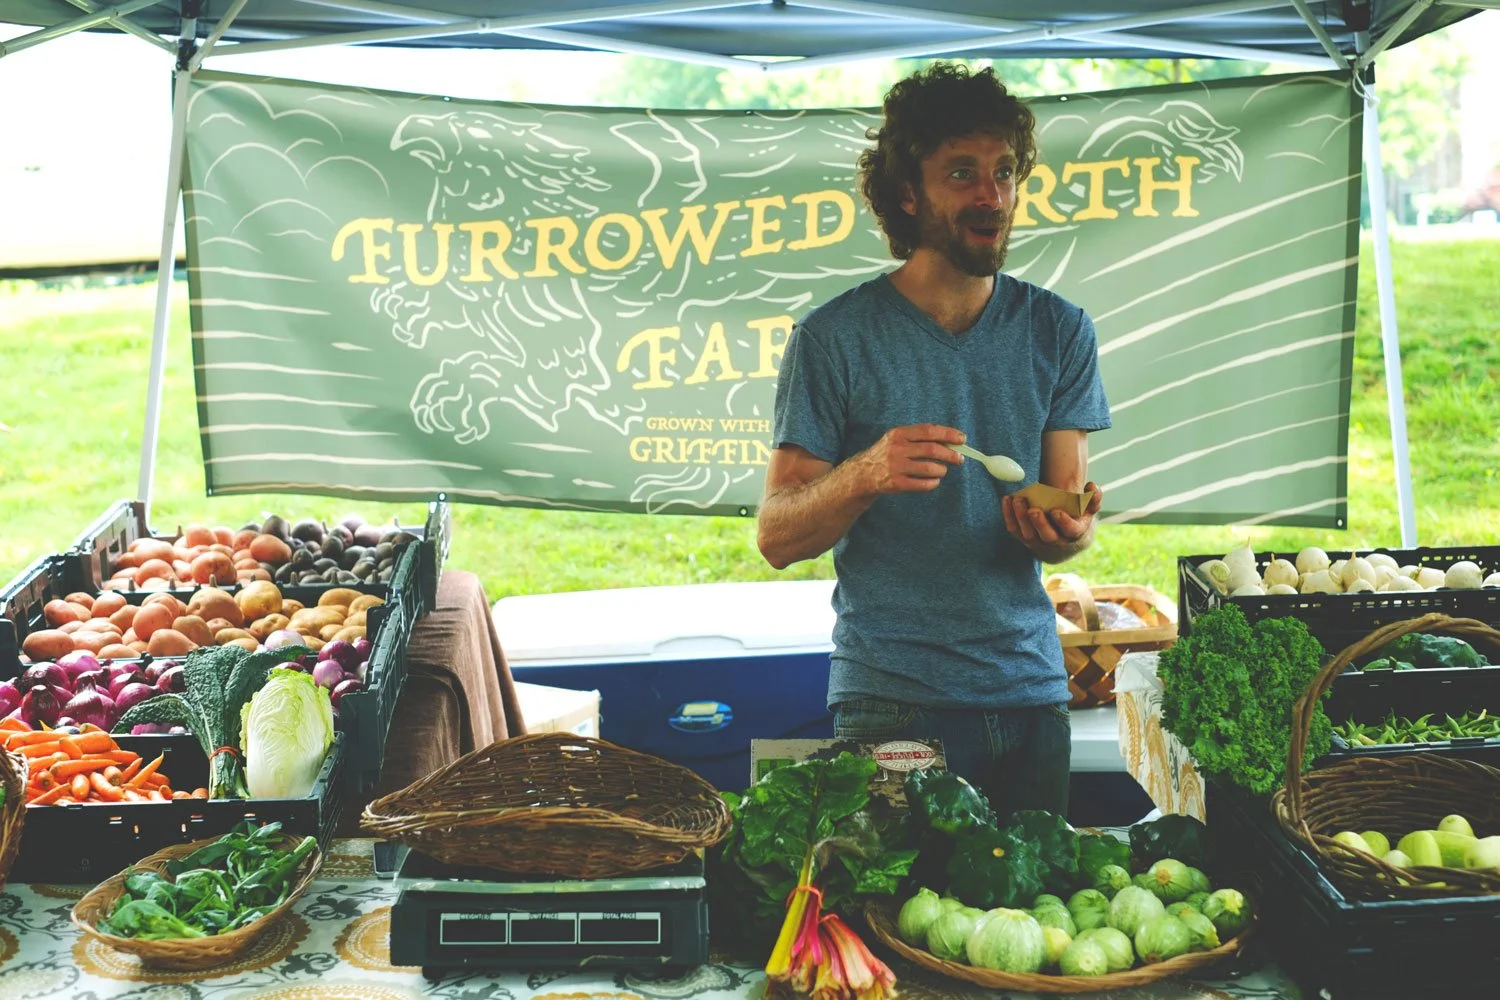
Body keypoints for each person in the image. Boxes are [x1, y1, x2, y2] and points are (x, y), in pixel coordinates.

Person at [756, 62, 1111, 821]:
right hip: (892, 703)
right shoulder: (833, 339)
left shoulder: (1060, 330)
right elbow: (777, 537)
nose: (992, 195)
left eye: (1004, 172)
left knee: (1038, 900)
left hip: (1030, 694)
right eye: (962, 173)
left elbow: (1067, 516)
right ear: (909, 194)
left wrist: (1064, 531)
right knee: (899, 901)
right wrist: (863, 473)